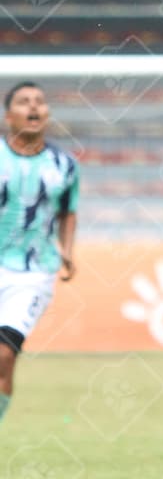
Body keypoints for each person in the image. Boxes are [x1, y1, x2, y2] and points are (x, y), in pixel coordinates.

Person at [0, 81, 79, 427]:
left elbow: (68, 210)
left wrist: (68, 250)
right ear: (9, 115)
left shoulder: (64, 165)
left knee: (3, 356)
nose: (34, 107)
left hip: (34, 274)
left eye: (40, 101)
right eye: (24, 101)